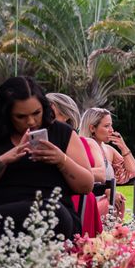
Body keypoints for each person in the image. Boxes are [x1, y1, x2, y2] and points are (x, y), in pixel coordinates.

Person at [0, 77, 93, 238]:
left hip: (52, 213)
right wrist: (5, 159)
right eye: (21, 116)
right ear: (7, 113)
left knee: (52, 212)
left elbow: (86, 185)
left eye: (36, 113)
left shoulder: (63, 132)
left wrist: (61, 160)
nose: (31, 121)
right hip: (0, 213)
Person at [47, 93, 104, 236]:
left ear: (66, 115)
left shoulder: (86, 142)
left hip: (79, 193)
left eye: (49, 110)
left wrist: (69, 166)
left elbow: (101, 174)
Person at [80, 107, 135, 220]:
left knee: (117, 201)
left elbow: (133, 171)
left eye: (111, 125)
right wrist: (107, 190)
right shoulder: (82, 147)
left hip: (108, 203)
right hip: (87, 202)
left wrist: (123, 147)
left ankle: (112, 234)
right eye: (106, 126)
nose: (111, 130)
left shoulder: (108, 150)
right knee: (112, 202)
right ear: (92, 128)